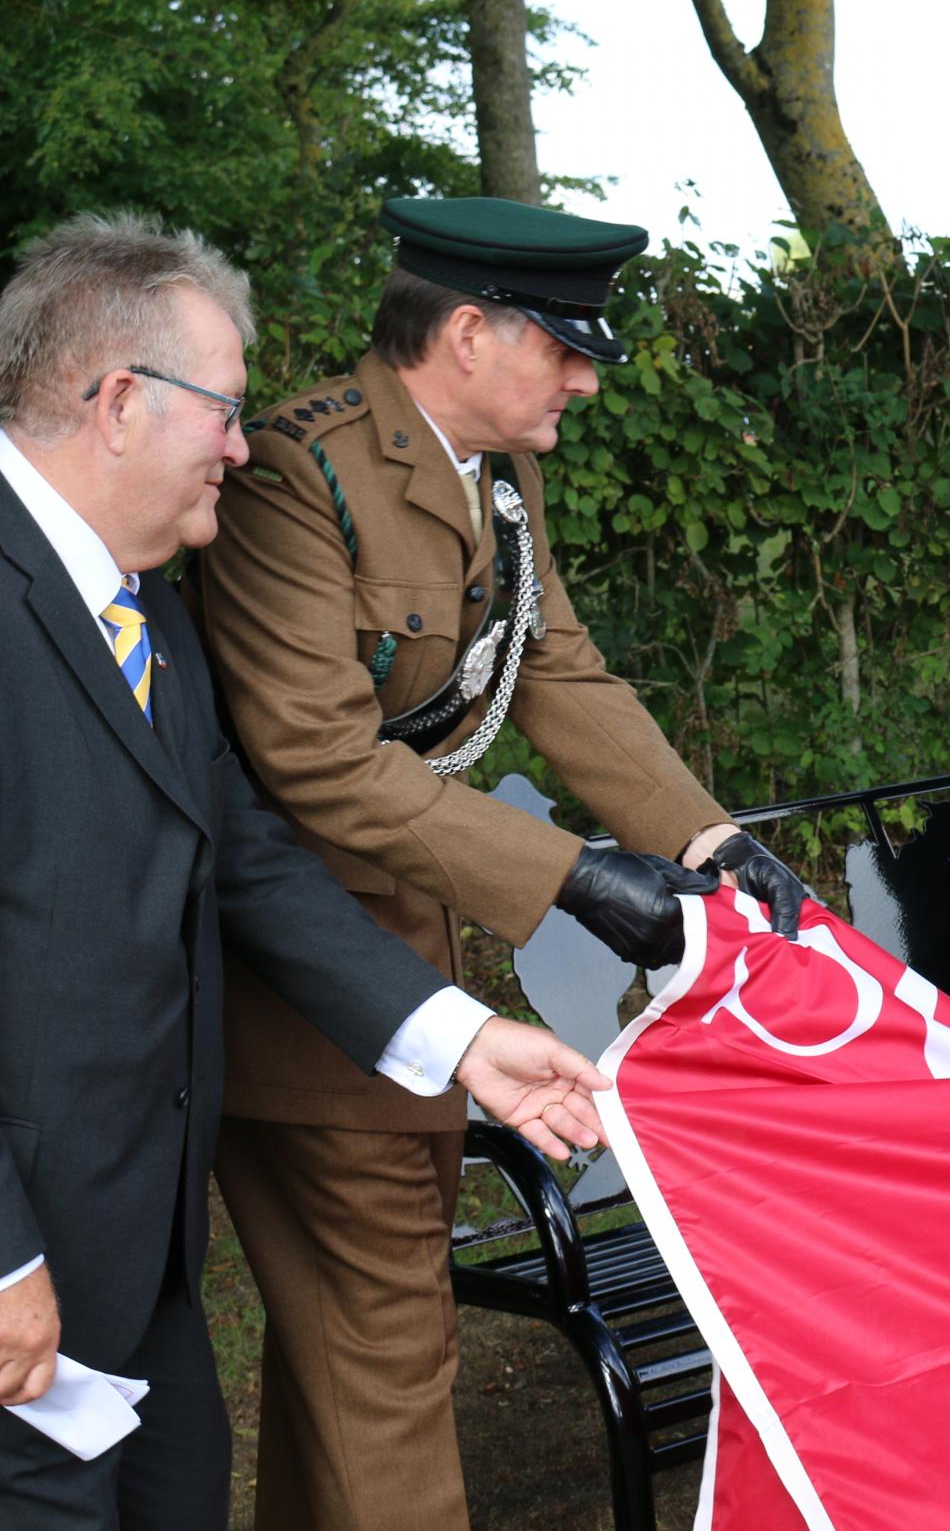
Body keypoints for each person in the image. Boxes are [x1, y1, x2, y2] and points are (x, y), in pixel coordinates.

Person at [0, 214, 672, 1527]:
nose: (243, 449)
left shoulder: (138, 610)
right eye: (227, 411)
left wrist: (464, 1037)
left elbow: (242, 859)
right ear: (121, 403)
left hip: (136, 1258)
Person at [179, 195, 810, 1531]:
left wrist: (703, 837)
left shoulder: (496, 475)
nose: (587, 374)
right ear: (468, 333)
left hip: (401, 959)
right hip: (300, 979)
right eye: (565, 346)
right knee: (391, 1342)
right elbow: (318, 761)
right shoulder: (305, 473)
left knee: (350, 1350)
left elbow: (557, 668)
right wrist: (576, 878)